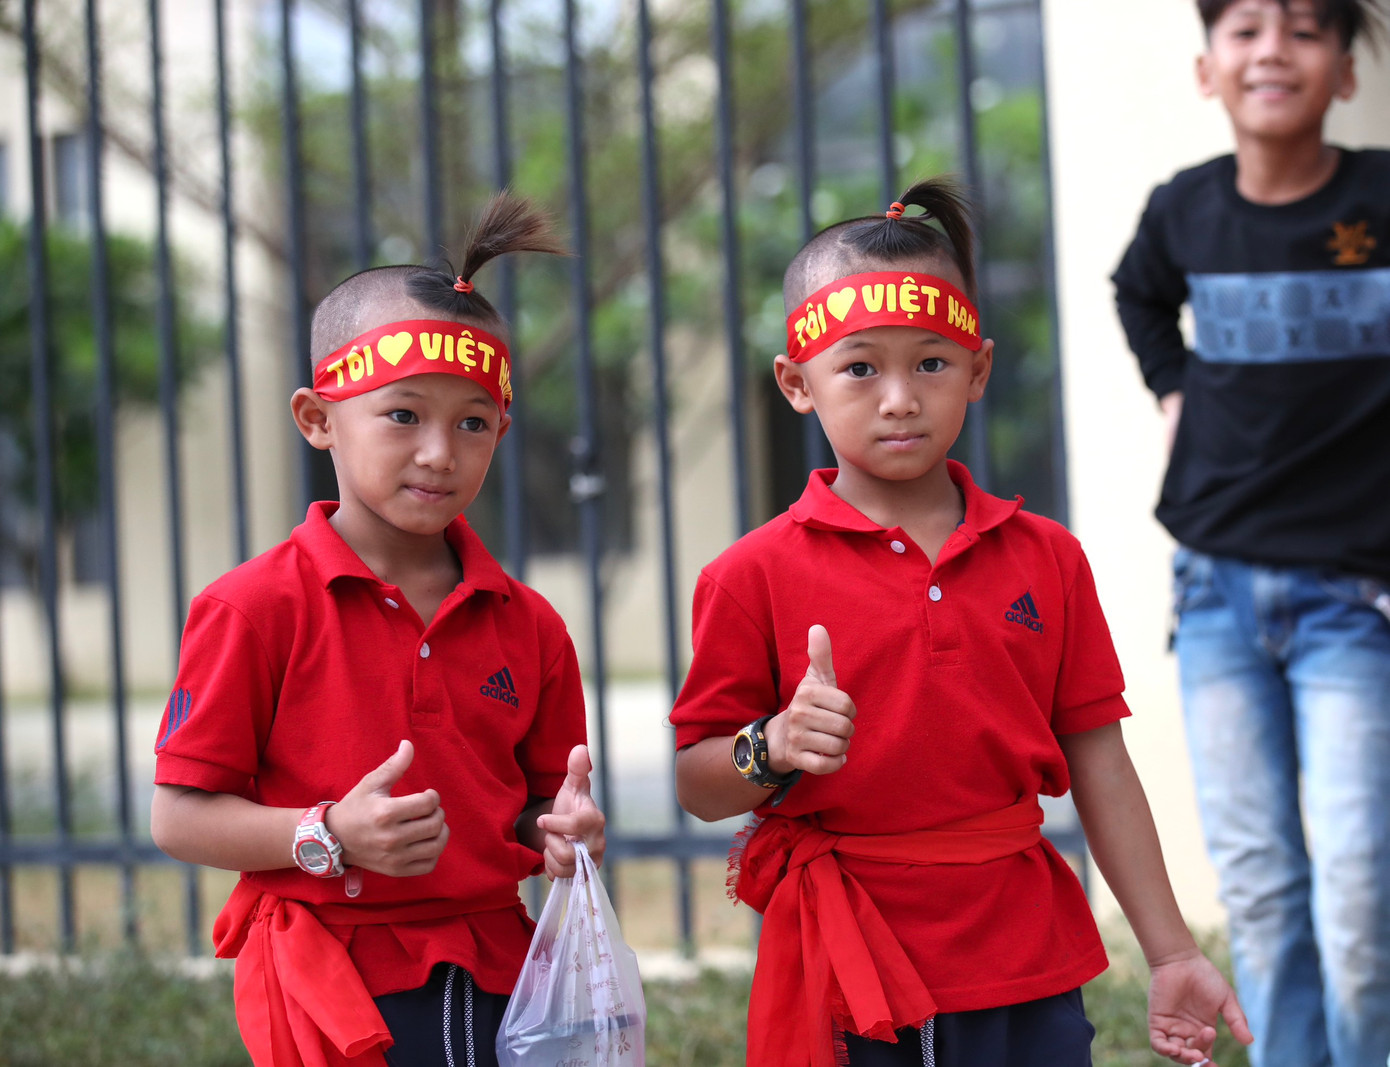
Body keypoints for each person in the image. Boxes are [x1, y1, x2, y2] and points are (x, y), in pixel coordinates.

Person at [670, 178, 1251, 1067]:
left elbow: (1100, 761)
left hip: (1025, 958)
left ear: (978, 370)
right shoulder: (751, 575)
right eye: (860, 368)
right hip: (851, 971)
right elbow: (698, 783)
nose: (899, 398)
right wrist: (773, 744)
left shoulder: (1047, 557)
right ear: (796, 382)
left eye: (931, 364)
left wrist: (1172, 952)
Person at [149, 193, 606, 1067]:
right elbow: (179, 816)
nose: (440, 452)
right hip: (330, 985)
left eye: (473, 422)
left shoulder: (530, 623)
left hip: (502, 976)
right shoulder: (254, 607)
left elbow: (538, 806)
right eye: (403, 415)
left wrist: (562, 829)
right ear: (318, 418)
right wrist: (327, 834)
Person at [1111, 1, 1390, 1064]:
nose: (1273, 49)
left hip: (1355, 602)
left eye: (1306, 30)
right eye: (1245, 30)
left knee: (1361, 890)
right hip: (1217, 592)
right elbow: (1137, 295)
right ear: (1207, 69)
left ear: (1345, 74)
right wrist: (1174, 388)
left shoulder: (1378, 200)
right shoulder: (1183, 209)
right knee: (1264, 888)